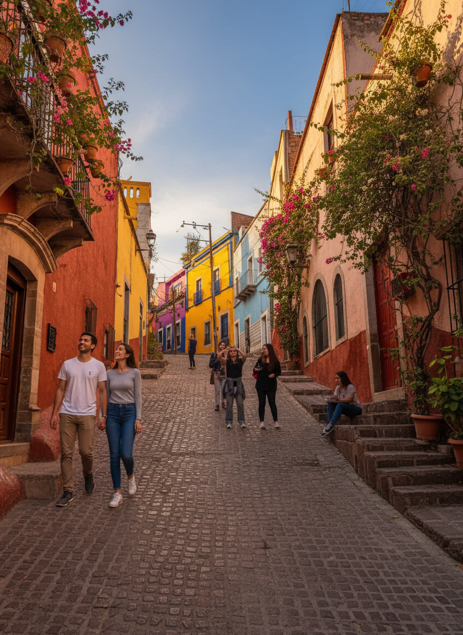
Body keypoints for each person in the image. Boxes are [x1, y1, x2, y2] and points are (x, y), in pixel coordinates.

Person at [50, 332, 107, 507]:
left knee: (85, 452)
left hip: (88, 414)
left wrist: (103, 415)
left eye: (85, 340)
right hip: (67, 413)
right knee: (66, 454)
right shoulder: (68, 364)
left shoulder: (99, 366)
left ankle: (88, 474)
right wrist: (54, 413)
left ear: (93, 346)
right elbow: (60, 389)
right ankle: (68, 490)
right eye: (80, 339)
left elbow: (103, 391)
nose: (81, 342)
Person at [102, 343, 142, 508]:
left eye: (120, 349)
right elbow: (105, 395)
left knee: (126, 454)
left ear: (127, 355)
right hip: (112, 413)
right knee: (114, 455)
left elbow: (138, 397)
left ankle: (130, 476)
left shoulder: (135, 373)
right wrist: (102, 416)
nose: (116, 351)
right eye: (116, 349)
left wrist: (138, 419)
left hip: (129, 413)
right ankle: (117, 493)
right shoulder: (109, 373)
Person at [321, 371, 362, 437]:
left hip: (355, 408)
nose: (336, 380)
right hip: (345, 408)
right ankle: (328, 425)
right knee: (330, 404)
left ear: (343, 378)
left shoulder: (350, 386)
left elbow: (349, 399)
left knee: (340, 405)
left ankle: (331, 424)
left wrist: (338, 399)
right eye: (335, 378)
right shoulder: (338, 387)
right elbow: (336, 398)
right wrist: (331, 399)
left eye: (337, 378)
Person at [253, 343, 282, 429]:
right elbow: (254, 368)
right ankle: (261, 422)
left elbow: (279, 372)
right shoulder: (260, 359)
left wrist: (274, 374)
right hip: (260, 384)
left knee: (272, 402)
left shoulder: (275, 361)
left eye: (265, 349)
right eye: (263, 349)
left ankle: (275, 421)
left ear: (269, 349)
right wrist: (256, 369)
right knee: (262, 403)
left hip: (271, 385)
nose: (263, 350)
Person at [219, 345, 247, 429]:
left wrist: (238, 349)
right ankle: (229, 421)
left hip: (238, 382)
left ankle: (242, 421)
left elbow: (244, 356)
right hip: (230, 383)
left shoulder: (240, 361)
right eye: (231, 351)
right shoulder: (227, 361)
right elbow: (219, 357)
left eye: (234, 351)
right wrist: (223, 351)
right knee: (229, 404)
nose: (232, 352)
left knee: (240, 403)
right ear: (229, 353)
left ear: (237, 352)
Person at [209, 340, 227, 411]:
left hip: (224, 374)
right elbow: (210, 364)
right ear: (219, 346)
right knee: (217, 391)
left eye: (223, 345)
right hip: (216, 374)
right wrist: (218, 359)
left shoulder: (226, 354)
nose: (222, 346)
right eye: (221, 345)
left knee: (223, 390)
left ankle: (223, 403)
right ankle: (217, 404)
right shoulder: (214, 354)